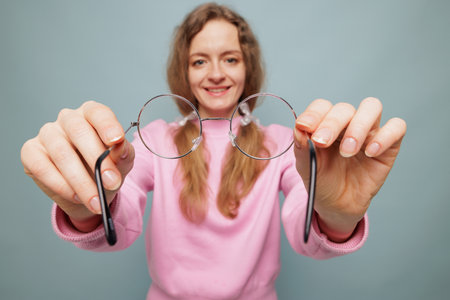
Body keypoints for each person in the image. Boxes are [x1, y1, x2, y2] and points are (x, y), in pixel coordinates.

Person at [20, 3, 406, 300]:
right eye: (200, 60)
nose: (216, 73)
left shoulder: (281, 144)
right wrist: (89, 207)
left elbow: (304, 230)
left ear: (247, 68)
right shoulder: (155, 140)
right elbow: (119, 222)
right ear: (184, 72)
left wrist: (336, 218)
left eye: (230, 59)